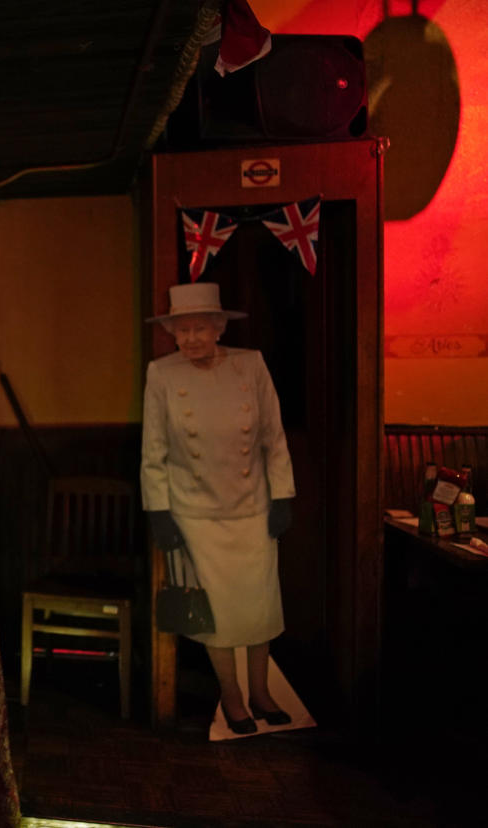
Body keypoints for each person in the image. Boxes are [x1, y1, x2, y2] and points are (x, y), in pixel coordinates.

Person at [140, 282, 296, 736]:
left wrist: (283, 497)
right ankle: (232, 696)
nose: (189, 339)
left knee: (261, 602)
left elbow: (274, 436)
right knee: (220, 611)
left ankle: (262, 693)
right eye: (181, 330)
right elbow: (154, 451)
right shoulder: (162, 375)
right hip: (196, 511)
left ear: (219, 327)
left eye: (199, 328)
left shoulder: (251, 365)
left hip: (252, 505)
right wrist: (159, 512)